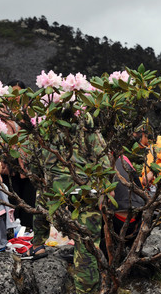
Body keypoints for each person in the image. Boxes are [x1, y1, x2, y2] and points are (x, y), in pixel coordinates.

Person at [29, 107, 108, 294]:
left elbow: (34, 166)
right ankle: (86, 290)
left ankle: (37, 244)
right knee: (87, 245)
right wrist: (103, 191)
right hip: (85, 193)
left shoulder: (46, 133)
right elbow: (104, 164)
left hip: (56, 194)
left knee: (40, 198)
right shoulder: (89, 132)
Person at [0, 79, 37, 228]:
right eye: (11, 92)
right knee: (13, 201)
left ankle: (29, 233)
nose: (14, 96)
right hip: (8, 165)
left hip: (27, 163)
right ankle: (14, 234)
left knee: (29, 200)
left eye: (18, 92)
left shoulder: (29, 112)